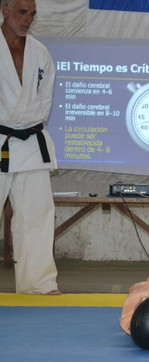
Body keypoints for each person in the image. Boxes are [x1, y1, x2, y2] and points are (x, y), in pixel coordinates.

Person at [0, 0, 59, 294]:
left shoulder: (40, 53)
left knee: (37, 214)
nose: (28, 20)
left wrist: (26, 124)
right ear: (5, 10)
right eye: (22, 12)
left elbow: (44, 102)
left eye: (32, 14)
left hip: (31, 141)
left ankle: (38, 284)